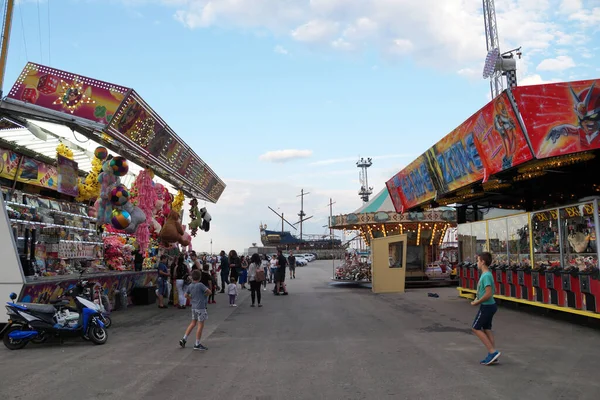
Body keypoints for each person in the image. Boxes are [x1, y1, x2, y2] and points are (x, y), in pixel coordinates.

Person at [471, 252, 501, 365]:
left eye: (478, 261)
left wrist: (477, 302)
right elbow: (494, 290)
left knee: (475, 328)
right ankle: (492, 354)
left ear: (483, 262)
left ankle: (492, 351)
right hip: (490, 305)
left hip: (487, 306)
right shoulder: (487, 275)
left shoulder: (486, 275)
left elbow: (488, 294)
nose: (477, 263)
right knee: (487, 328)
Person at [179, 270, 211, 351]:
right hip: (201, 307)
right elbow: (209, 291)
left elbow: (186, 295)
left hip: (194, 307)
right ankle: (197, 343)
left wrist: (192, 298)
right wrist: (204, 296)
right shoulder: (200, 285)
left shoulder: (190, 285)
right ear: (200, 277)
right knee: (200, 325)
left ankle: (184, 339)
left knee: (193, 323)